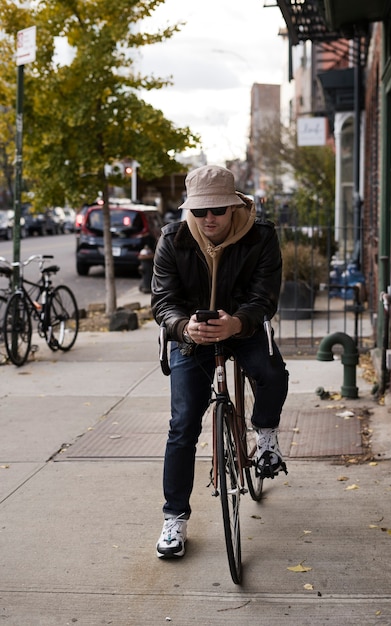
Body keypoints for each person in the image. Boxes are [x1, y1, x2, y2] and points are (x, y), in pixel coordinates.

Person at [151, 165, 289, 559]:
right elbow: (162, 301)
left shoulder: (261, 237)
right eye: (199, 211)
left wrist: (237, 323)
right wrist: (183, 327)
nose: (208, 218)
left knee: (272, 373)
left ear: (235, 205)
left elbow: (265, 296)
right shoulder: (171, 239)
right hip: (191, 336)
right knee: (182, 425)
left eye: (217, 210)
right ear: (188, 211)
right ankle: (174, 519)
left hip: (241, 327)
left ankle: (265, 437)